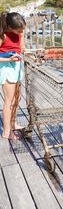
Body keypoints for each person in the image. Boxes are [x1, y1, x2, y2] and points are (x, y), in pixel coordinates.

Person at [0, 12, 26, 140]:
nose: (22, 31)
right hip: (6, 67)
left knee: (17, 98)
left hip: (16, 65)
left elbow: (22, 48)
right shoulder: (2, 35)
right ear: (10, 27)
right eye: (19, 29)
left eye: (23, 28)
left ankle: (13, 123)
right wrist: (9, 59)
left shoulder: (20, 33)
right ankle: (6, 131)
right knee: (9, 100)